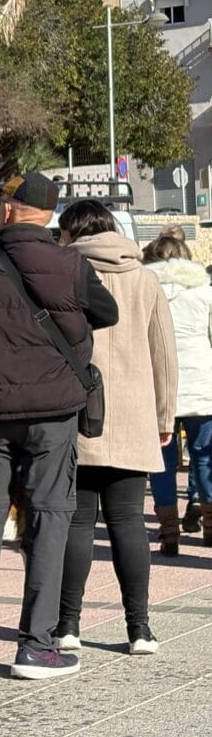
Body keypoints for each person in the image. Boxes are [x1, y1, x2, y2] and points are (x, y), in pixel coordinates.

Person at [0, 173, 119, 680]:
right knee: (48, 519)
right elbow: (106, 313)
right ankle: (35, 646)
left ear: (8, 210)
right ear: (47, 216)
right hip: (51, 411)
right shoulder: (70, 263)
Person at [52, 200, 175, 657]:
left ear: (73, 233)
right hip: (134, 412)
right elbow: (163, 352)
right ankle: (139, 628)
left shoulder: (64, 274)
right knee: (128, 523)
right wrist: (165, 415)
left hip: (78, 411)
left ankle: (68, 625)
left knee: (78, 522)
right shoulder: (145, 279)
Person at [145, 235, 212, 549]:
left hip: (158, 387)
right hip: (201, 386)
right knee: (204, 457)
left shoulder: (145, 291)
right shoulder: (204, 292)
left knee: (161, 461)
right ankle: (210, 527)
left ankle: (169, 532)